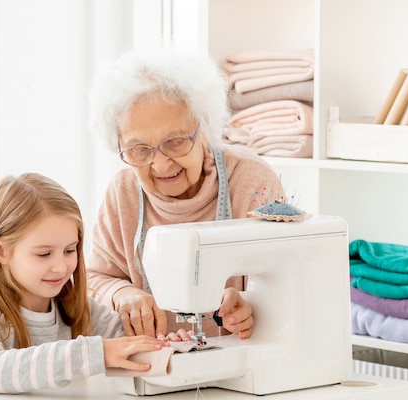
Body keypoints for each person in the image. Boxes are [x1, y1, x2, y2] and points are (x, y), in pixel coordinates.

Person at [87, 49, 284, 341]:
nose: (161, 164)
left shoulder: (251, 181)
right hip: (155, 364)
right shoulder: (123, 193)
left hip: (243, 361)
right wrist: (122, 293)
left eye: (176, 142)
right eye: (139, 149)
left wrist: (250, 303)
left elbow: (281, 281)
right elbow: (94, 278)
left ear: (204, 127)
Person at [0, 173, 168, 394]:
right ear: (0, 250)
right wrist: (96, 353)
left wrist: (165, 346)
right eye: (44, 254)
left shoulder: (80, 310)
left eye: (70, 250)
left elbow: (129, 345)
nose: (60, 267)